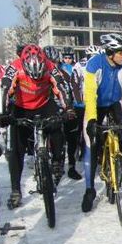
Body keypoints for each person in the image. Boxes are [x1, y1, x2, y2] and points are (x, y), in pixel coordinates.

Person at [0, 45, 72, 209]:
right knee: (16, 150)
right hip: (21, 106)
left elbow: (61, 87)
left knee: (57, 127)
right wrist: (2, 113)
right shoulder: (14, 67)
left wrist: (68, 108)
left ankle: (57, 162)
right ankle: (16, 190)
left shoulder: (50, 66)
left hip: (44, 104)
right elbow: (4, 88)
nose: (36, 79)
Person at [82, 33, 122, 212]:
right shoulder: (94, 64)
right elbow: (90, 94)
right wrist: (93, 120)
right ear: (110, 53)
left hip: (116, 103)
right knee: (91, 143)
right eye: (121, 53)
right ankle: (89, 190)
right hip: (96, 105)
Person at [44, 45, 83, 180]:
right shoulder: (40, 74)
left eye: (54, 61)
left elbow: (73, 89)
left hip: (66, 107)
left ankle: (71, 166)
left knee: (71, 137)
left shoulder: (64, 72)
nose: (52, 65)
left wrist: (75, 106)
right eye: (49, 61)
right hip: (49, 109)